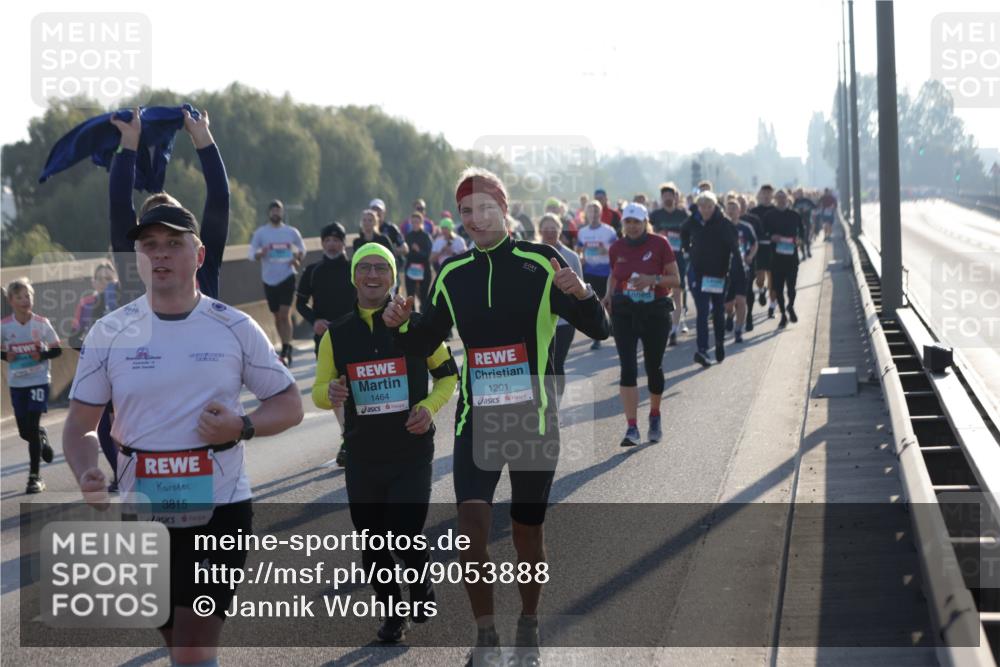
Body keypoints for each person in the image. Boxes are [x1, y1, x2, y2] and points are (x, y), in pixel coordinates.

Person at [383, 167, 610, 666]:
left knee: (528, 530)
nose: (475, 218)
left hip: (532, 415)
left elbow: (600, 329)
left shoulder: (541, 261)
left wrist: (580, 293)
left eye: (485, 207)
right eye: (466, 210)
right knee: (471, 525)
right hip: (476, 418)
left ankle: (528, 622)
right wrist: (402, 327)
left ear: (504, 209)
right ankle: (486, 634)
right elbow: (425, 342)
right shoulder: (452, 274)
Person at [63, 204, 303, 666]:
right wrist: (87, 470)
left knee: (192, 650)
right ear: (136, 256)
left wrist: (243, 425)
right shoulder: (109, 333)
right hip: (143, 511)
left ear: (199, 253)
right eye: (149, 245)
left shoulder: (233, 326)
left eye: (174, 243)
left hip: (221, 509)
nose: (161, 255)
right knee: (178, 644)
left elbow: (289, 404)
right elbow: (80, 427)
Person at [312, 242, 458, 643]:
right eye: (365, 268)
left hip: (410, 449)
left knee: (404, 530)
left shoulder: (416, 325)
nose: (373, 275)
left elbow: (448, 375)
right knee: (373, 539)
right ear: (354, 275)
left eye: (381, 268)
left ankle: (420, 586)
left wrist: (428, 407)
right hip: (363, 451)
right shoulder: (337, 334)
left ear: (393, 278)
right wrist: (332, 394)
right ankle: (394, 614)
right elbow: (320, 389)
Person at [603, 203, 679, 447]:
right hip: (624, 312)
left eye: (637, 222)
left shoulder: (660, 244)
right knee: (627, 368)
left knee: (653, 366)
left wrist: (653, 279)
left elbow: (675, 280)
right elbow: (615, 274)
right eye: (628, 222)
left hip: (655, 311)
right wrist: (608, 294)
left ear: (645, 222)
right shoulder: (616, 247)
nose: (633, 226)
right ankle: (632, 427)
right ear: (623, 224)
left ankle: (655, 415)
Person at [296, 222, 355, 467]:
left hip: (354, 334)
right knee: (335, 391)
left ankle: (357, 438)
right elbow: (300, 304)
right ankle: (348, 439)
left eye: (336, 239)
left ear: (343, 242)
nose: (332, 243)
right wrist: (315, 320)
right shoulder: (312, 271)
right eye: (327, 239)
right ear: (322, 243)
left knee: (356, 390)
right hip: (325, 339)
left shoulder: (355, 268)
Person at [2, 279, 61, 493]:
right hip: (17, 384)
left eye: (28, 296)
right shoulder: (5, 326)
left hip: (38, 381)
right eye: (19, 297)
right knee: (25, 432)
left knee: (32, 425)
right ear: (11, 301)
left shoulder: (42, 323)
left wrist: (42, 354)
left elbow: (57, 350)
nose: (25, 300)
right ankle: (41, 437)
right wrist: (5, 355)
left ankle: (34, 477)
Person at [69, 261, 120, 489]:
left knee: (123, 425)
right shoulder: (86, 304)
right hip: (98, 370)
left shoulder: (123, 300)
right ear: (93, 282)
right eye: (100, 279)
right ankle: (120, 474)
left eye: (109, 279)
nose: (104, 283)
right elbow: (74, 336)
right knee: (103, 429)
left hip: (123, 369)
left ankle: (133, 471)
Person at [682, 191, 740, 367]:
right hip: (699, 274)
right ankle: (702, 350)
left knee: (718, 312)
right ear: (698, 207)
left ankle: (720, 343)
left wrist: (736, 272)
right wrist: (688, 249)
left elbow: (734, 248)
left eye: (709, 207)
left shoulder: (724, 223)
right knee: (702, 312)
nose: (706, 210)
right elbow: (683, 231)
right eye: (702, 207)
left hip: (719, 275)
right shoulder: (693, 220)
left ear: (715, 206)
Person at [249, 199, 306, 368]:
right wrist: (261, 253)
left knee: (284, 313)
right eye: (273, 210)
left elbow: (302, 249)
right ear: (269, 213)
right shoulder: (261, 233)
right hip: (269, 278)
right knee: (276, 315)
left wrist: (297, 259)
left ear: (282, 213)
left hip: (287, 276)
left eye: (278, 210)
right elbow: (251, 253)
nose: (276, 213)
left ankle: (287, 348)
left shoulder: (291, 232)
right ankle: (283, 344)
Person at [539, 213, 584, 404]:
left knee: (557, 363)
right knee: (541, 365)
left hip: (565, 322)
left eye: (553, 228)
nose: (550, 232)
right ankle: (543, 403)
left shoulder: (571, 256)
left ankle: (555, 405)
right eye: (546, 228)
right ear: (539, 231)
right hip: (540, 321)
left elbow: (581, 289)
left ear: (560, 230)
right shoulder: (533, 254)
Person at [650, 182, 690, 345]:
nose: (667, 197)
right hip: (659, 260)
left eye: (670, 195)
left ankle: (674, 329)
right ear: (661, 197)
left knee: (678, 292)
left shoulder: (683, 215)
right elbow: (648, 234)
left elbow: (690, 236)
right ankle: (663, 325)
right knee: (660, 293)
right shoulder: (655, 215)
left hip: (678, 258)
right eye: (664, 195)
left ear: (675, 196)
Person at [575, 200, 618, 350]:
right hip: (590, 271)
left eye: (596, 211)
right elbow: (579, 248)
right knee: (595, 303)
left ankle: (612, 326)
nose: (593, 215)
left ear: (601, 213)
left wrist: (605, 251)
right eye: (590, 211)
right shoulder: (582, 232)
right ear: (586, 214)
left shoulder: (609, 231)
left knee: (608, 300)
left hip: (606, 271)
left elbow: (616, 250)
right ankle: (597, 336)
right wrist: (580, 258)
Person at [766, 189, 806, 328]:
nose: (781, 200)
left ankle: (791, 306)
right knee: (777, 288)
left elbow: (802, 231)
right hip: (776, 258)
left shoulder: (794, 215)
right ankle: (783, 315)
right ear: (775, 199)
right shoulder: (770, 215)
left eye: (784, 197)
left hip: (791, 257)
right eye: (779, 197)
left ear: (787, 199)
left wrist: (800, 240)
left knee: (791, 287)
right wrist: (771, 237)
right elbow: (764, 233)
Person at [723, 196, 757, 344]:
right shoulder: (722, 227)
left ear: (739, 211)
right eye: (729, 210)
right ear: (725, 211)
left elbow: (755, 244)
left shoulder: (746, 227)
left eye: (734, 210)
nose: (731, 213)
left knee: (741, 301)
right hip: (725, 271)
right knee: (728, 305)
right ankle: (730, 316)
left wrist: (750, 256)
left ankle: (738, 330)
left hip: (742, 269)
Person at [749, 184, 778, 318]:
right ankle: (761, 290)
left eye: (769, 193)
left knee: (773, 278)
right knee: (760, 278)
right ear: (760, 195)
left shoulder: (777, 211)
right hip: (759, 248)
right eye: (764, 193)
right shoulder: (754, 212)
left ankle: (772, 306)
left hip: (773, 248)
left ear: (772, 195)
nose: (766, 196)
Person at [368, 198, 408, 283]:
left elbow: (405, 249)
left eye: (379, 210)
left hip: (389, 268)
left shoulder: (391, 228)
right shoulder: (365, 229)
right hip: (371, 270)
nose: (376, 212)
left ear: (384, 212)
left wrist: (387, 252)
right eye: (373, 209)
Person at [403, 211, 435, 310]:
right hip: (411, 268)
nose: (415, 224)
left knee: (424, 297)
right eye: (413, 222)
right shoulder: (408, 236)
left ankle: (423, 319)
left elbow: (428, 254)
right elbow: (406, 254)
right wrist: (406, 252)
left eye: (417, 222)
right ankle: (412, 318)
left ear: (421, 222)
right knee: (410, 296)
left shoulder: (426, 236)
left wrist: (418, 250)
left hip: (424, 269)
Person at [792, 188, 816, 260]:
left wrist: (808, 208)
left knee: (807, 237)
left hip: (807, 220)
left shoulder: (807, 200)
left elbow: (814, 206)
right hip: (799, 222)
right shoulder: (796, 201)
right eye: (798, 193)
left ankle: (808, 251)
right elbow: (792, 209)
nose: (800, 194)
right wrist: (797, 210)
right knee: (800, 238)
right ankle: (803, 254)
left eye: (801, 192)